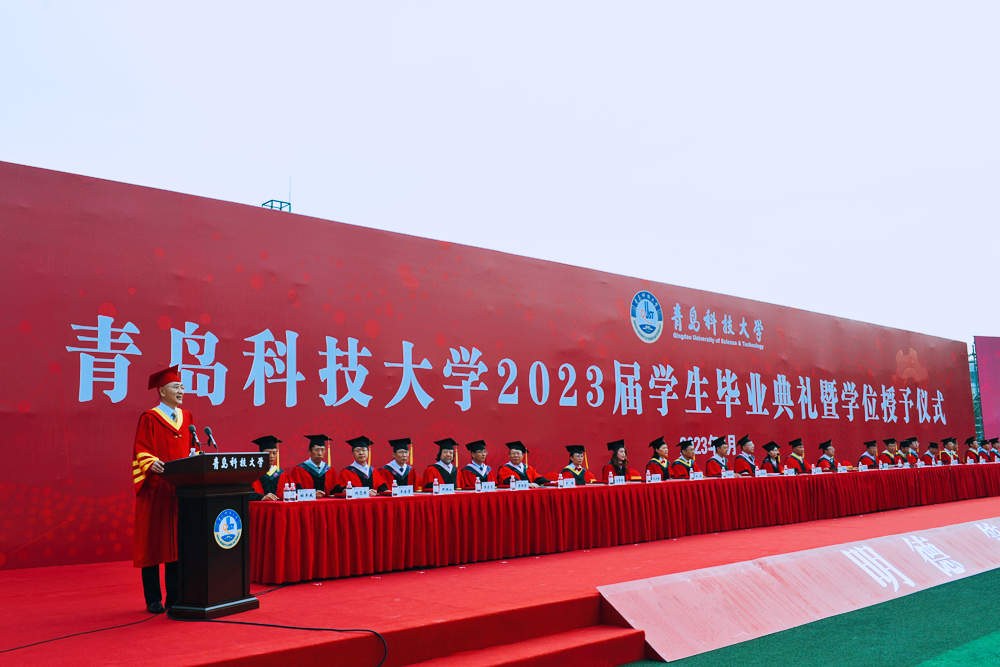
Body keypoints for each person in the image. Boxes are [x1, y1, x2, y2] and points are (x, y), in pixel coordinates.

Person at [132, 366, 193, 614]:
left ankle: (175, 597)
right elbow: (141, 449)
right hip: (156, 489)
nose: (181, 390)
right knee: (154, 542)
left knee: (177, 543)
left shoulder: (187, 417)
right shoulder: (150, 417)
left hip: (179, 491)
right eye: (175, 387)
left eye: (182, 386)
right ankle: (153, 598)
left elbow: (192, 448)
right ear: (161, 391)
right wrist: (150, 464)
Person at [250, 435, 283, 501]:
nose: (272, 456)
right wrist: (262, 497)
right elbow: (247, 494)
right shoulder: (253, 474)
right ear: (261, 454)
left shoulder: (282, 474)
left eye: (274, 453)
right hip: (259, 507)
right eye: (268, 453)